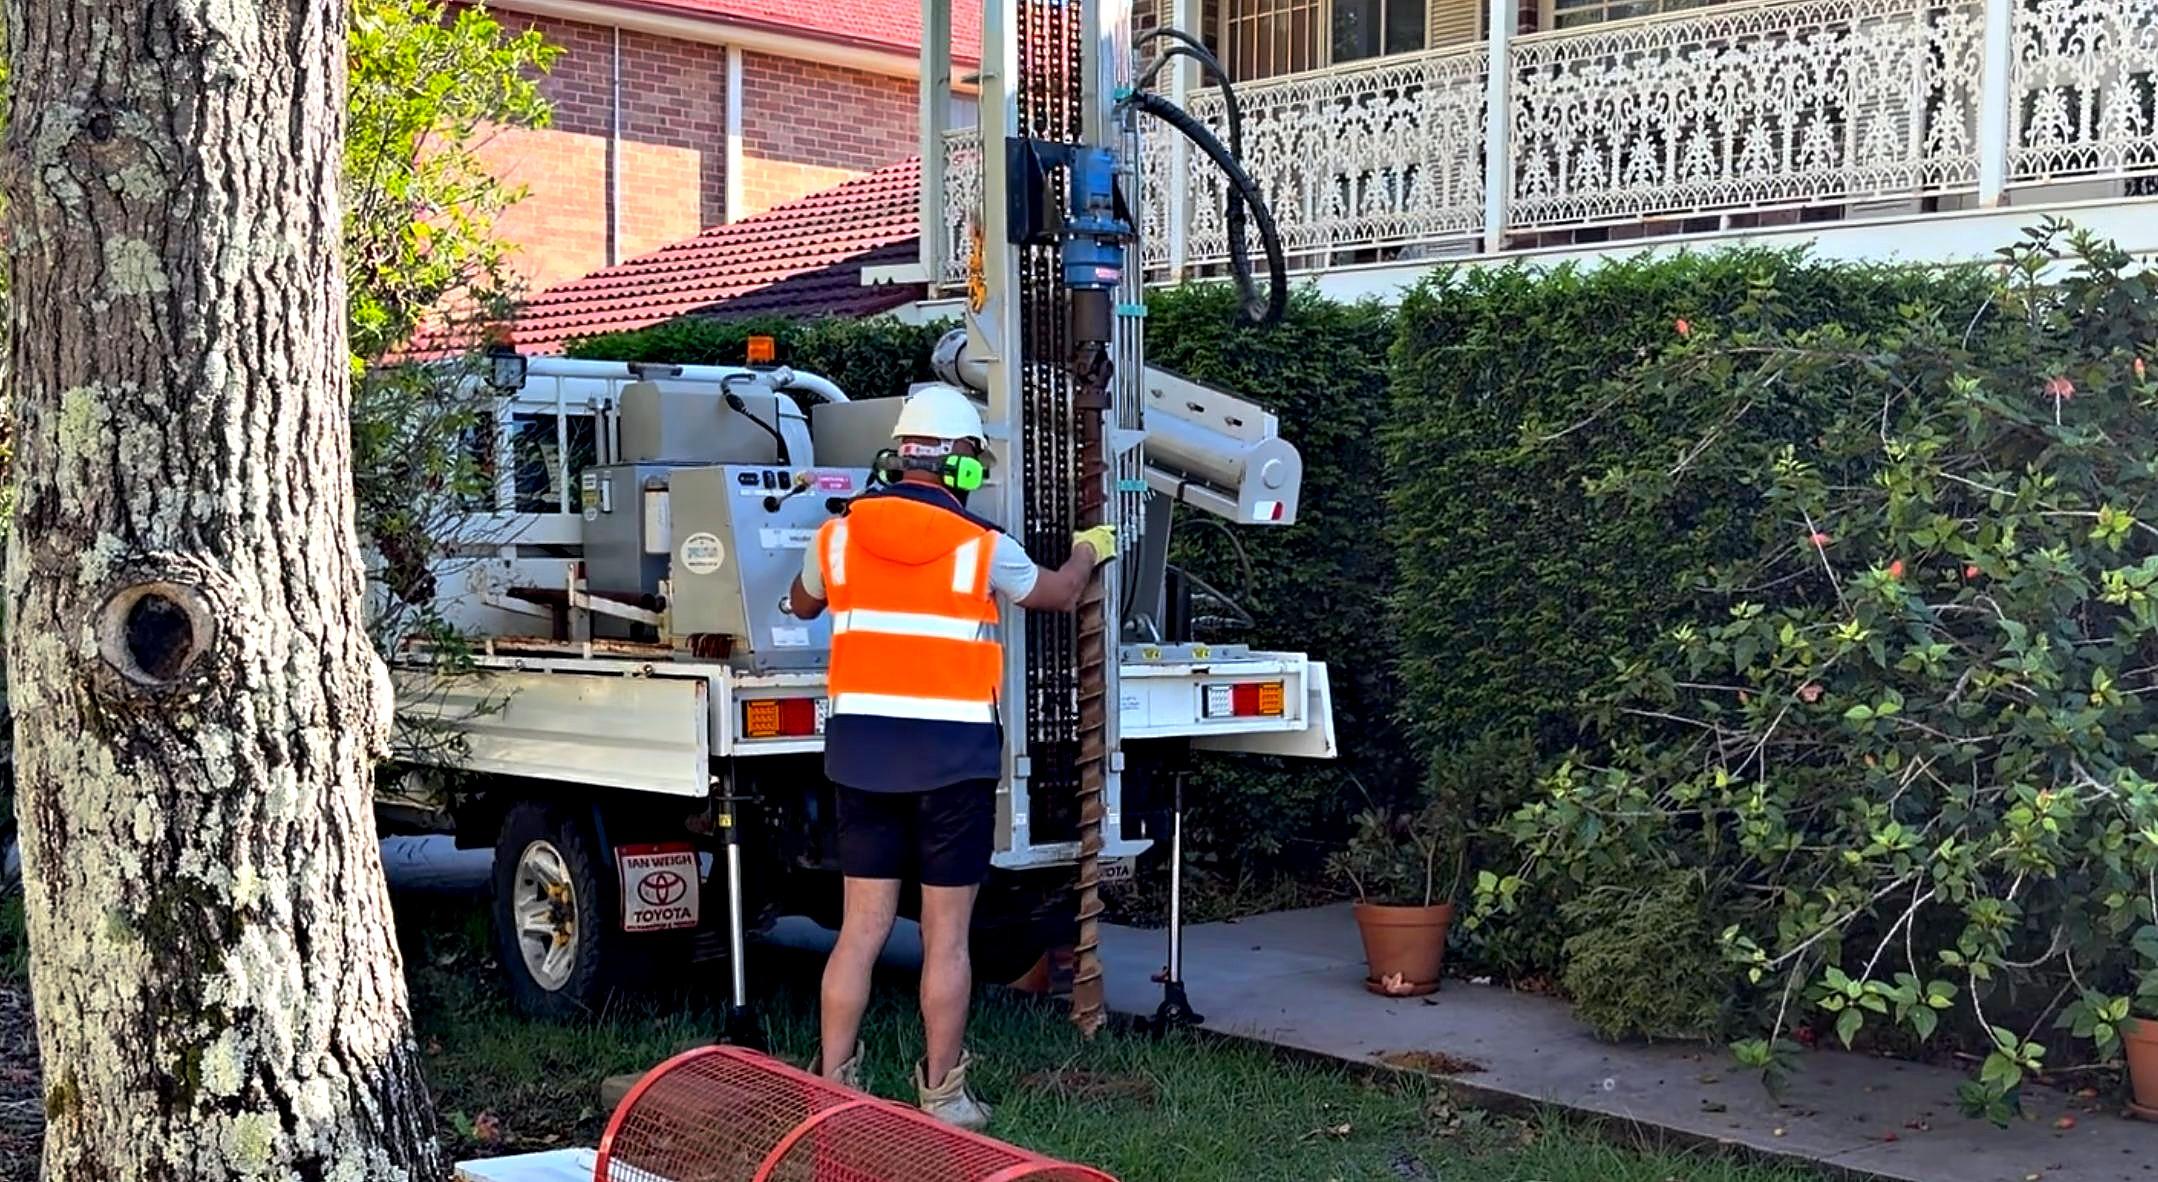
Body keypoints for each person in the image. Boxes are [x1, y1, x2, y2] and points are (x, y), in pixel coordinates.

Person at [786, 382, 1113, 1130]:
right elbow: (1060, 594)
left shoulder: (835, 537)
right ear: (962, 467)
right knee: (945, 935)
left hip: (863, 756)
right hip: (953, 761)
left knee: (861, 930)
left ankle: (833, 1084)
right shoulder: (983, 547)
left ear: (896, 457)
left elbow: (803, 605)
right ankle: (944, 1096)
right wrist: (1090, 550)